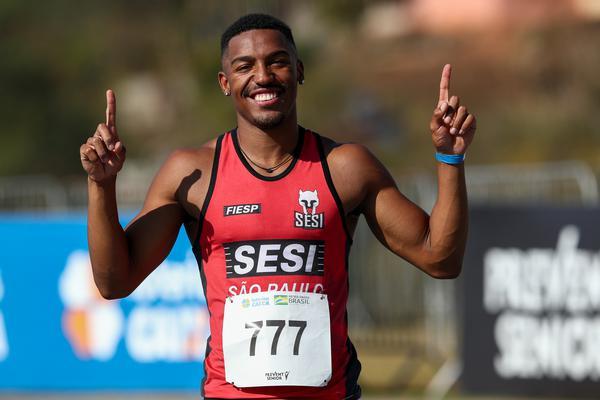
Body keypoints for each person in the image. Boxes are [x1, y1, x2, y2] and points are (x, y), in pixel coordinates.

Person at [79, 13, 475, 400]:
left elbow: (440, 259)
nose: (263, 76)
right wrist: (102, 185)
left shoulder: (346, 168)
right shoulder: (192, 173)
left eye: (277, 61)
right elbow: (115, 281)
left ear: (299, 70)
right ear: (225, 82)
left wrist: (450, 158)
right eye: (244, 66)